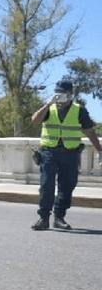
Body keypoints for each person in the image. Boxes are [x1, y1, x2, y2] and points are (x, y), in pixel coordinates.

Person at [30, 80, 102, 231]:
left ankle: (59, 217)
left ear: (70, 94)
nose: (59, 95)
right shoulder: (49, 108)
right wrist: (47, 105)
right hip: (49, 153)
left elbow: (89, 131)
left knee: (67, 187)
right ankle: (43, 218)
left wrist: (100, 150)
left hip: (70, 154)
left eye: (62, 92)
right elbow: (35, 120)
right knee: (46, 185)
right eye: (57, 91)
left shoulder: (79, 110)